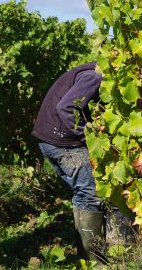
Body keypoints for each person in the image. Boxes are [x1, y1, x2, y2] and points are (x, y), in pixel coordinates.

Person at [31, 62, 106, 263]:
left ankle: (86, 259)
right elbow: (66, 107)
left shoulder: (88, 73)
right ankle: (94, 261)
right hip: (61, 141)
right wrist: (88, 136)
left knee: (83, 193)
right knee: (91, 193)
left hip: (50, 138)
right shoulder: (94, 77)